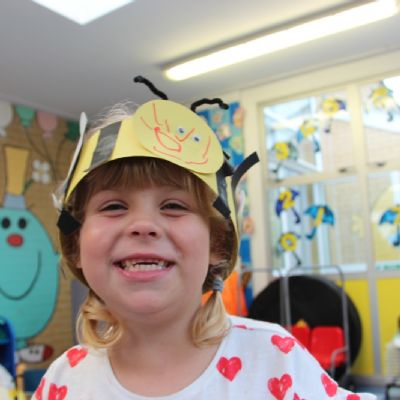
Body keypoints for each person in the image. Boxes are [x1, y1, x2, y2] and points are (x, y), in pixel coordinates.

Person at [34, 77, 376, 399]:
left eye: (173, 205)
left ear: (216, 243)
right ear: (76, 244)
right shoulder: (64, 380)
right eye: (113, 206)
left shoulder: (274, 360)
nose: (143, 225)